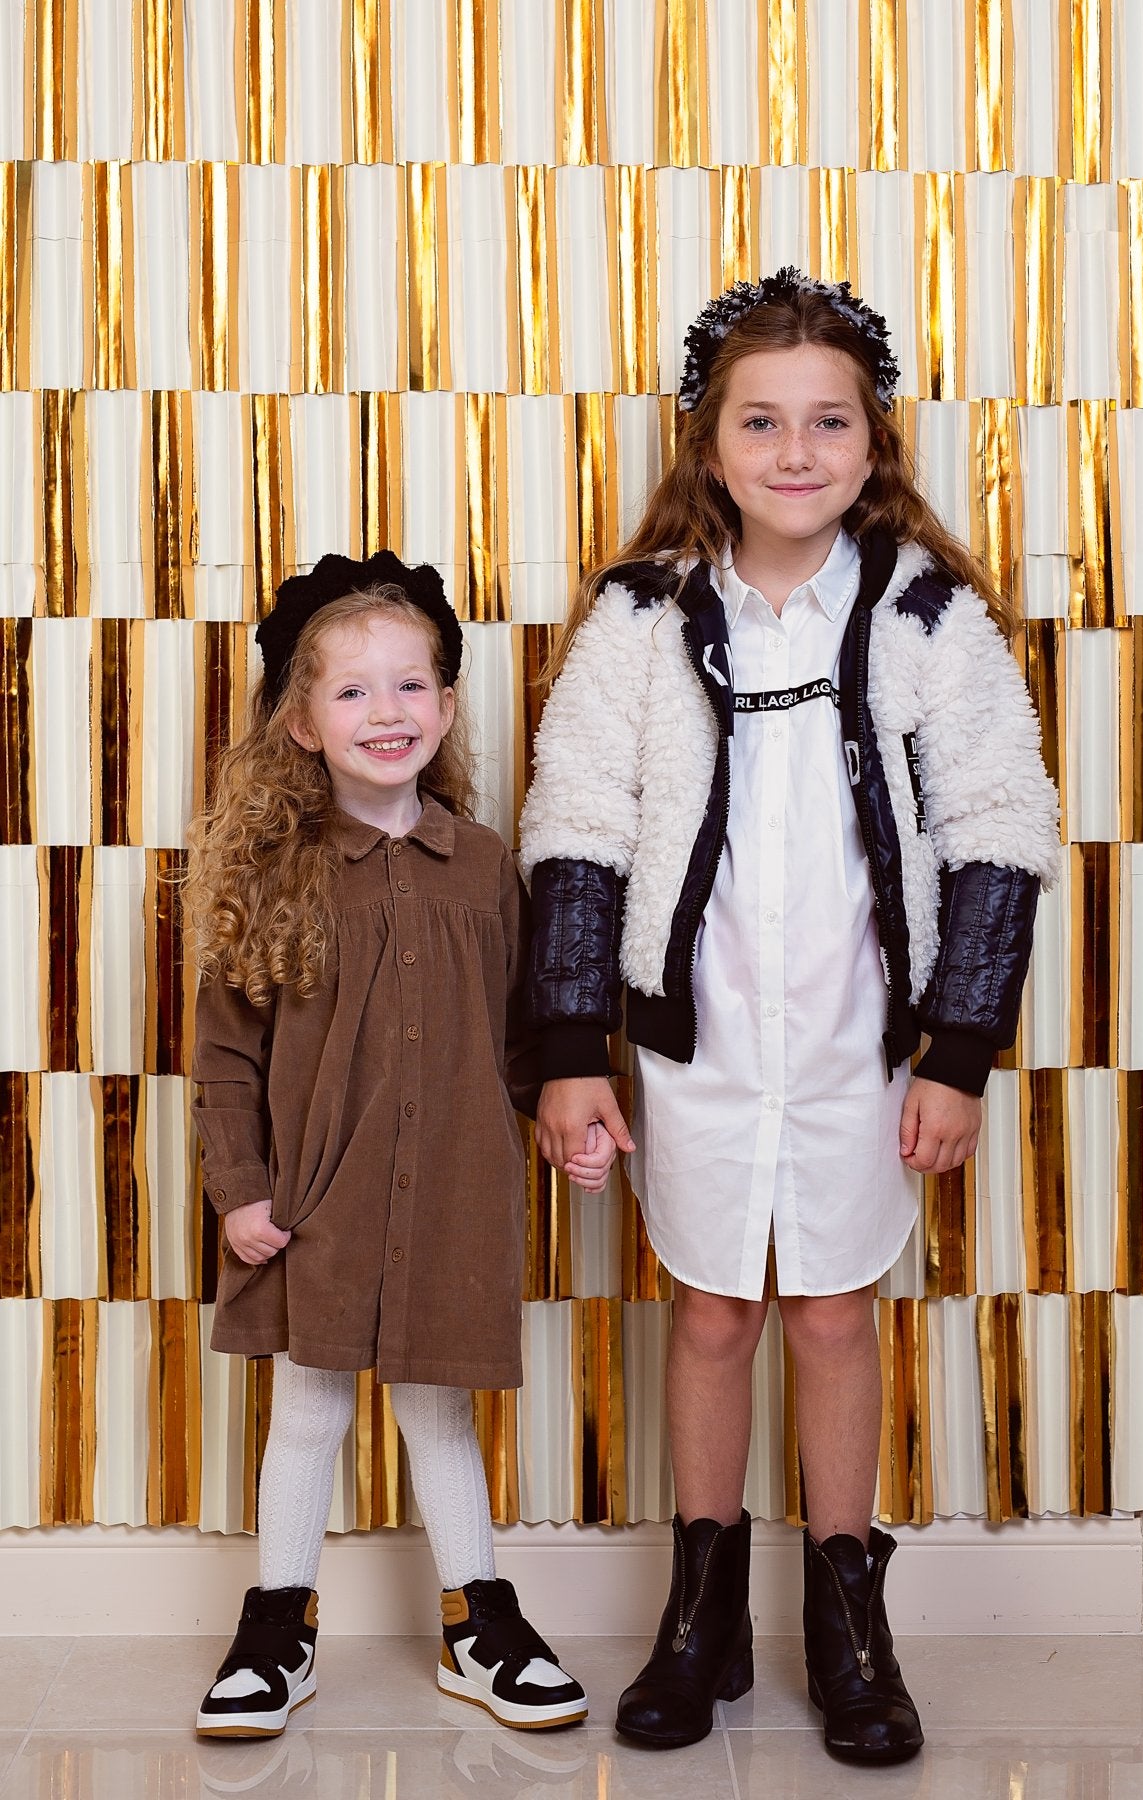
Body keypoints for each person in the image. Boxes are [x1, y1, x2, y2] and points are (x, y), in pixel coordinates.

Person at [518, 269, 1059, 1763]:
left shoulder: (928, 613)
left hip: (859, 1043)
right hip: (696, 1044)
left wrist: (960, 1053)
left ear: (874, 444)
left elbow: (1001, 825)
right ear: (709, 443)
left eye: (830, 421)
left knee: (831, 1312)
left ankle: (848, 1627)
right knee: (713, 1310)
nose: (796, 450)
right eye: (761, 421)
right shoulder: (639, 616)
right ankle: (699, 1620)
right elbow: (578, 821)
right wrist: (570, 1048)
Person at [186, 550, 602, 1740]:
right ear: (303, 724)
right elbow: (226, 1058)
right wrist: (241, 1191)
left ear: (449, 706)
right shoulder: (274, 877)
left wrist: (568, 1116)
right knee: (308, 1412)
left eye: (411, 685)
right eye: (354, 690)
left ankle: (479, 1629)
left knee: (439, 1414)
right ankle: (278, 1629)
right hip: (316, 1206)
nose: (387, 711)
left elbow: (522, 1033)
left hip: (455, 1198)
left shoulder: (485, 866)